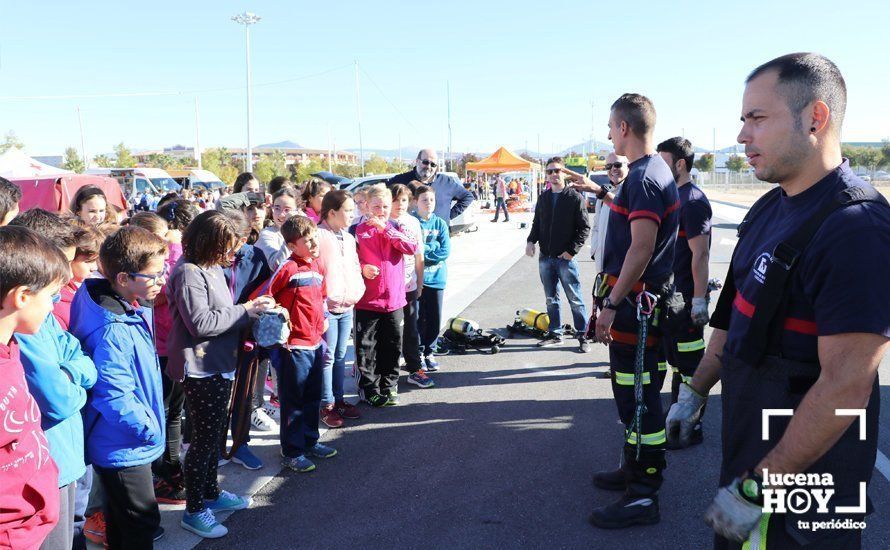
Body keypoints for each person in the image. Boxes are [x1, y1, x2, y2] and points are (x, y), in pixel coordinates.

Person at [667, 53, 890, 549]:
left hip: (806, 494)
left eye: (756, 118)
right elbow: (737, 314)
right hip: (754, 463)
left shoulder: (856, 229)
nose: (742, 136)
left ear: (815, 117)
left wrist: (758, 489)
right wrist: (696, 390)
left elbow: (845, 389)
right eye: (743, 120)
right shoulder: (773, 204)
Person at [571, 93, 679, 529]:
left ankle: (644, 494)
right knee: (631, 393)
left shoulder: (645, 179)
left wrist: (612, 305)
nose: (607, 134)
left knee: (639, 398)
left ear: (624, 128)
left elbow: (641, 247)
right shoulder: (643, 174)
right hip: (632, 303)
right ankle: (632, 468)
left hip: (636, 305)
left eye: (610, 126)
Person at [166, 211, 273, 538]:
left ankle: (210, 492)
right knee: (202, 441)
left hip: (219, 363)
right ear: (208, 243)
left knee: (213, 436)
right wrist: (247, 311)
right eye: (226, 247)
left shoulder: (211, 267)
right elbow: (202, 323)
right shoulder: (188, 272)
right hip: (200, 368)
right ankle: (195, 509)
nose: (232, 254)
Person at [69, 226, 169, 549]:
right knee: (141, 525)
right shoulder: (112, 329)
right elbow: (114, 396)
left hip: (118, 442)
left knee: (122, 522)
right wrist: (149, 429)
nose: (161, 280)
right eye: (153, 275)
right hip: (123, 447)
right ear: (123, 279)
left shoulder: (116, 304)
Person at [10, 211, 98, 550]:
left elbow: (81, 359)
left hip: (69, 454)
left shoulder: (42, 312)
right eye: (56, 276)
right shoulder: (26, 323)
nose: (61, 291)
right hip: (50, 463)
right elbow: (58, 399)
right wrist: (75, 377)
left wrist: (71, 371)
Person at [0, 226, 67, 550]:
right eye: (50, 296)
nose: (54, 307)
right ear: (22, 296)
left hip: (31, 529)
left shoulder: (11, 345)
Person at [265, 215, 339, 472]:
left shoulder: (317, 266)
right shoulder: (287, 269)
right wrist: (281, 323)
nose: (314, 243)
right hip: (293, 347)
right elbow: (267, 298)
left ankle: (310, 441)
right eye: (307, 240)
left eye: (314, 237)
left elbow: (323, 296)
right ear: (293, 245)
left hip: (315, 343)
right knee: (293, 402)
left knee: (311, 397)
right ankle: (292, 451)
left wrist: (326, 318)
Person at [655, 136, 712, 446]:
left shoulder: (693, 201)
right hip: (669, 299)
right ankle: (675, 418)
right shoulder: (673, 196)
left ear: (679, 164)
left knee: (690, 368)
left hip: (687, 301)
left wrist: (700, 300)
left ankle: (693, 426)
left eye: (663, 162)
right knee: (674, 364)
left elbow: (700, 255)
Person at [353, 184, 418, 407]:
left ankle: (390, 386)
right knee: (367, 348)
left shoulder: (397, 226)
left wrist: (387, 230)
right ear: (366, 207)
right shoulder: (357, 231)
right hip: (367, 301)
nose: (381, 211)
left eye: (385, 206)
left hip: (394, 300)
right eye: (376, 206)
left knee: (392, 345)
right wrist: (362, 267)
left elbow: (411, 247)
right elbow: (349, 261)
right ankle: (370, 388)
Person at [151, 199, 198, 505]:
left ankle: (170, 474)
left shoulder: (171, 256)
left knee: (169, 413)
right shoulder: (185, 255)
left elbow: (157, 297)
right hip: (175, 343)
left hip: (165, 344)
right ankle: (173, 471)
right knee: (174, 413)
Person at [221, 209, 275, 465]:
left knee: (244, 394)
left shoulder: (255, 257)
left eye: (238, 240)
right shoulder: (208, 260)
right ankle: (217, 448)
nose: (232, 246)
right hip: (215, 338)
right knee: (218, 397)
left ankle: (240, 444)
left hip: (247, 335)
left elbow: (267, 289)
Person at [525, 156, 591, 351]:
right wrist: (530, 241)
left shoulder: (574, 197)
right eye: (550, 171)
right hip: (545, 257)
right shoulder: (544, 198)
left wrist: (571, 251)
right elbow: (537, 224)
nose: (554, 174)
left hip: (565, 259)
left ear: (564, 173)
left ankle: (583, 335)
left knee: (575, 299)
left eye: (557, 170)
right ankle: (555, 333)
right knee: (551, 299)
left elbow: (584, 228)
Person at [316, 190, 365, 427]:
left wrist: (358, 289)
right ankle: (326, 404)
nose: (352, 214)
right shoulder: (318, 236)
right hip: (327, 307)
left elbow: (354, 267)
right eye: (347, 210)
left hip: (347, 305)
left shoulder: (347, 237)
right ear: (332, 212)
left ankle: (338, 399)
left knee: (340, 356)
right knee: (327, 357)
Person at [390, 183, 434, 389]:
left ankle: (415, 368)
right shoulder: (382, 222)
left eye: (404, 200)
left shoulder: (412, 222)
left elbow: (419, 255)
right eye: (395, 200)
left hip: (408, 285)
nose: (400, 205)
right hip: (388, 288)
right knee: (391, 331)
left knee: (411, 329)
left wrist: (420, 281)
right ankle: (387, 374)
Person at [414, 185, 451, 371]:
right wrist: (431, 248)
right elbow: (413, 251)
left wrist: (424, 253)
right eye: (424, 200)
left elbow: (445, 251)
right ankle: (419, 351)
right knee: (419, 318)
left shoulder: (440, 224)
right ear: (416, 202)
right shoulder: (413, 223)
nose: (429, 203)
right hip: (418, 280)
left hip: (437, 278)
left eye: (431, 200)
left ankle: (430, 350)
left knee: (435, 317)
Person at [388, 149, 474, 224]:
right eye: (425, 162)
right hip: (409, 237)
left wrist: (448, 216)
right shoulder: (401, 181)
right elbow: (380, 195)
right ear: (417, 161)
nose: (428, 167)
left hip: (438, 237)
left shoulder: (446, 182)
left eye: (433, 164)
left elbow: (468, 196)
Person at [590, 153, 629, 271]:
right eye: (609, 166)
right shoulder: (603, 193)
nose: (613, 169)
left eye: (617, 165)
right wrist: (595, 251)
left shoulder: (633, 191)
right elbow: (596, 226)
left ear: (628, 166)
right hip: (602, 269)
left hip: (624, 270)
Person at [256, 187, 301, 271]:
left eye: (287, 210)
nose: (281, 214)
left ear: (297, 211)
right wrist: (290, 233)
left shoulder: (306, 232)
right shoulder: (267, 234)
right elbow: (277, 265)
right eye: (277, 208)